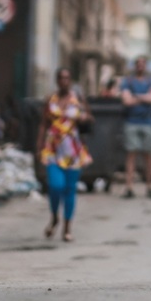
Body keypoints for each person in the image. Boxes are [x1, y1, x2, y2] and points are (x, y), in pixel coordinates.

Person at [37, 67, 92, 242]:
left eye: (67, 78)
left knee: (70, 189)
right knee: (55, 186)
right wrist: (38, 146)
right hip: (53, 149)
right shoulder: (50, 100)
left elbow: (90, 119)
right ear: (57, 80)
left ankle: (67, 228)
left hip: (73, 150)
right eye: (61, 78)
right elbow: (43, 124)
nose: (64, 81)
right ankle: (54, 217)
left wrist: (84, 118)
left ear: (71, 80)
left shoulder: (78, 99)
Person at [120, 56, 151, 199]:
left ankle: (149, 186)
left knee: (148, 155)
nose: (140, 66)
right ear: (135, 66)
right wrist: (146, 97)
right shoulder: (128, 81)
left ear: (146, 66)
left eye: (143, 64)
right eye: (138, 64)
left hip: (148, 122)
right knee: (131, 154)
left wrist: (136, 97)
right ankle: (129, 187)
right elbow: (126, 101)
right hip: (131, 121)